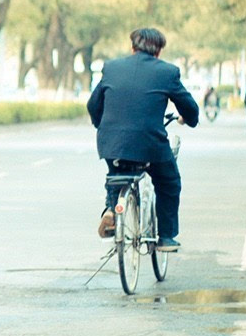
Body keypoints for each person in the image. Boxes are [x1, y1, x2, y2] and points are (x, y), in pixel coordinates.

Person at [86, 27, 200, 252]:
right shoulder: (167, 72)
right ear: (158, 51)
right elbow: (190, 107)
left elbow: (93, 105)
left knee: (118, 174)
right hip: (150, 144)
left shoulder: (112, 68)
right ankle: (166, 237)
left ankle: (111, 209)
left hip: (111, 142)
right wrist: (188, 119)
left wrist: (103, 125)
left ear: (132, 48)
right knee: (168, 182)